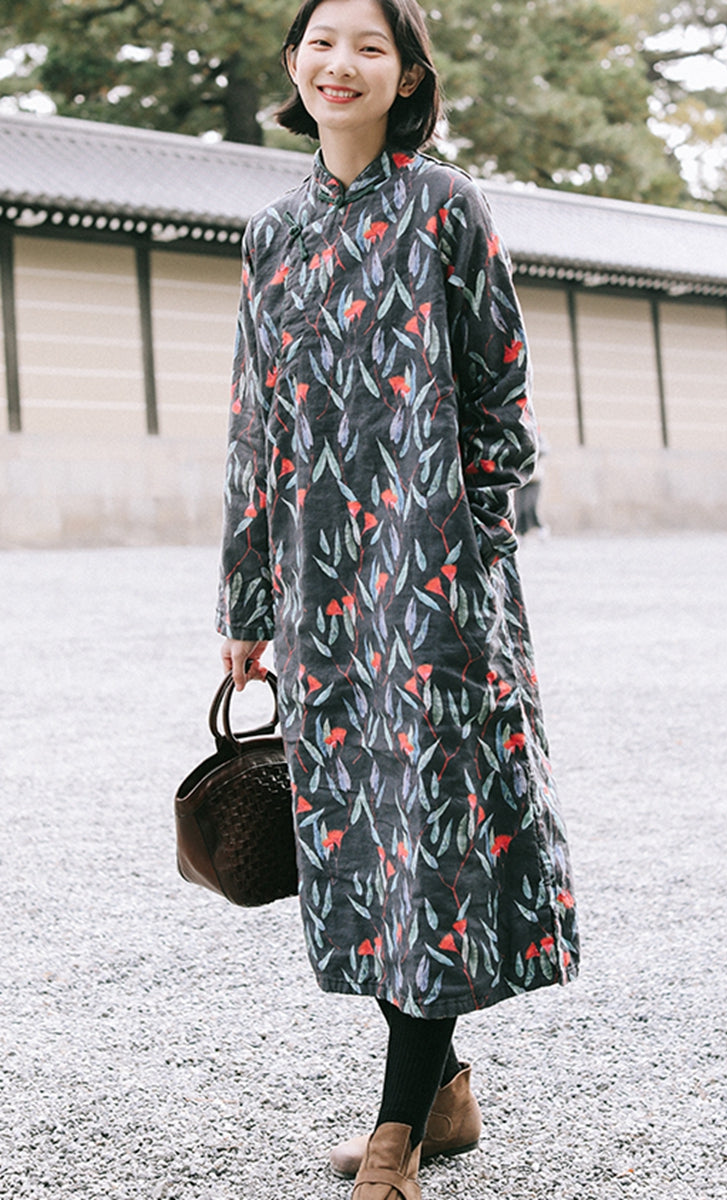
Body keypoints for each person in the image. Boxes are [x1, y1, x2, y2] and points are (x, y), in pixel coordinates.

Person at [215, 2, 579, 1196]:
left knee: (428, 834)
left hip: (428, 581)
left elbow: (501, 392)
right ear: (294, 64)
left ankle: (394, 1136)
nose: (341, 64)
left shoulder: (442, 206)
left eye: (369, 47)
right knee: (355, 841)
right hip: (318, 586)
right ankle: (446, 1087)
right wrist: (246, 601)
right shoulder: (272, 232)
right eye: (322, 43)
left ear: (407, 76)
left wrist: (471, 544)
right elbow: (254, 426)